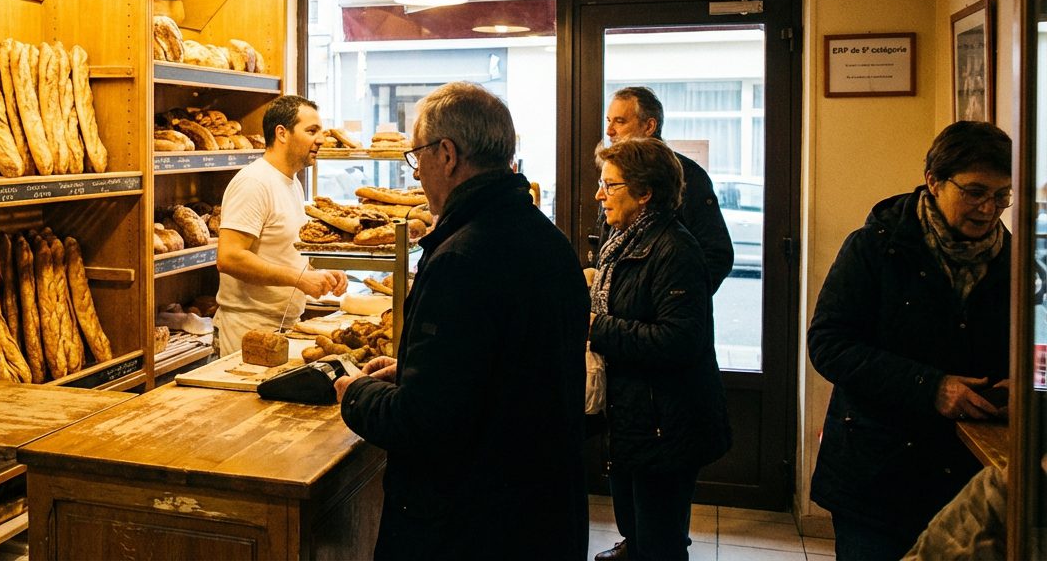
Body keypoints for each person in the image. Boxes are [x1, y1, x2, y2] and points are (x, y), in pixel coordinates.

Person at [332, 81, 589, 559]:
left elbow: (426, 424)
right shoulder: (548, 240)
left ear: (447, 154)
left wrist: (357, 395)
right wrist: (411, 370)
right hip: (542, 514)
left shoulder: (462, 258)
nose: (416, 176)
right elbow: (504, 372)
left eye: (417, 158)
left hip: (470, 525)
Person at [808, 120, 1012, 560]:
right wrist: (931, 387)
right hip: (877, 477)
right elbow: (829, 344)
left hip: (968, 485)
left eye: (1001, 196)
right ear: (934, 182)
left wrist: (1027, 387)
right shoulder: (873, 248)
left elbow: (1037, 353)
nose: (988, 208)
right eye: (975, 192)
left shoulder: (1016, 262)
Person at [588, 136, 732, 561]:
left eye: (611, 186)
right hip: (636, 417)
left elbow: (678, 340)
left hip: (666, 425)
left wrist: (597, 328)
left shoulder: (675, 248)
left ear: (646, 192)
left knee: (659, 544)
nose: (600, 195)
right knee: (636, 530)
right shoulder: (624, 242)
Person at [214, 95, 347, 355]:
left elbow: (284, 249)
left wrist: (321, 271)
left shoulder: (291, 182)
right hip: (248, 330)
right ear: (282, 133)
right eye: (311, 131)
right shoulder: (254, 182)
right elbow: (229, 257)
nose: (320, 139)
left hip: (282, 325)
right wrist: (299, 279)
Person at [592, 87, 734, 292]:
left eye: (620, 121)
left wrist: (674, 296)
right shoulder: (614, 173)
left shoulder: (687, 176)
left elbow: (717, 254)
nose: (609, 131)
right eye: (608, 120)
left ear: (649, 126)